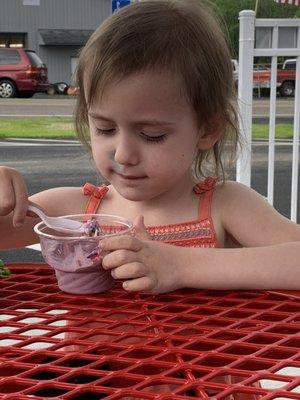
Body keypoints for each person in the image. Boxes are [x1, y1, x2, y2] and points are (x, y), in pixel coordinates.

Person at [0, 0, 300, 296]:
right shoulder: (74, 213)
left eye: (152, 135)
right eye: (105, 129)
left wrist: (181, 265)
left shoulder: (225, 205)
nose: (123, 155)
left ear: (207, 129)